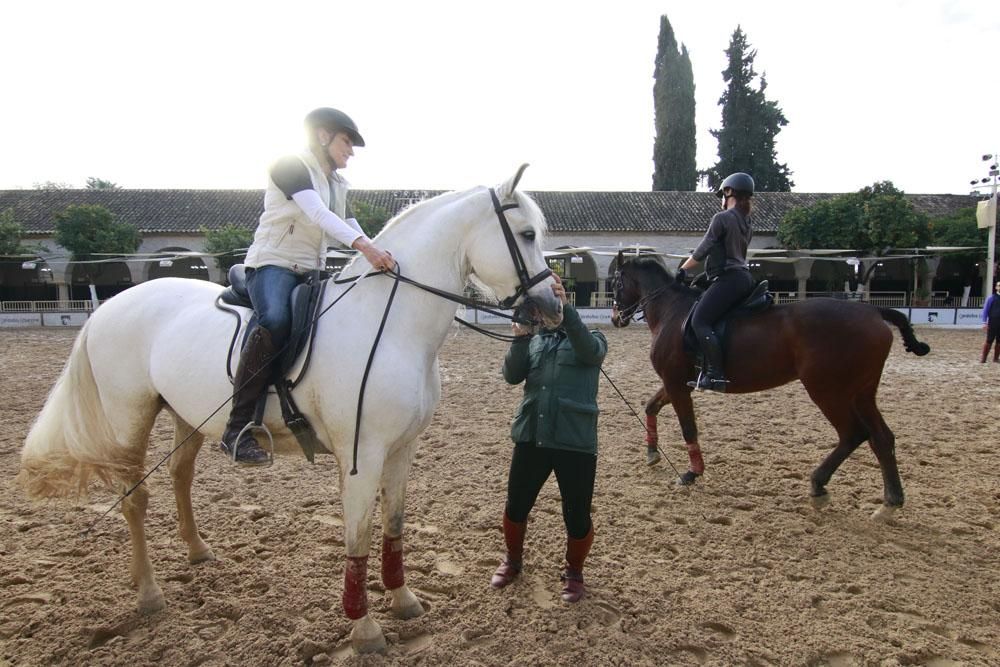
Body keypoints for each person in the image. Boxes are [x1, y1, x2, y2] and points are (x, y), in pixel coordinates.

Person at [221, 108, 395, 465]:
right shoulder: (291, 165)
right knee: (276, 322)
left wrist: (380, 248)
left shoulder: (336, 182)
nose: (351, 150)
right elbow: (319, 215)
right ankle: (237, 428)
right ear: (322, 135)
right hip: (273, 265)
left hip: (311, 269)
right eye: (347, 141)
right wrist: (365, 248)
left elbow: (346, 219)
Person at [490, 273, 607, 603]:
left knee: (577, 514)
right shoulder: (536, 340)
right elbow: (512, 376)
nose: (543, 312)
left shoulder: (593, 337)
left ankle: (574, 572)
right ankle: (512, 560)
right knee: (516, 505)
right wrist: (520, 338)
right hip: (532, 436)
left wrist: (568, 313)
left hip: (575, 440)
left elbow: (591, 352)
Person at [678, 172, 756, 392]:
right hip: (743, 278)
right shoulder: (746, 222)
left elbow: (704, 248)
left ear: (729, 192)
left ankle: (716, 375)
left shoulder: (722, 218)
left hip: (730, 279)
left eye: (723, 193)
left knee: (699, 321)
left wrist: (683, 270)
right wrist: (708, 276)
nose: (722, 198)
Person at [981, 280, 1000, 363]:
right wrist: (984, 322)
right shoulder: (991, 298)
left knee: (999, 341)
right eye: (999, 285)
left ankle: (996, 358)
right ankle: (983, 358)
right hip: (993, 321)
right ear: (996, 287)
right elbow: (986, 310)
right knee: (989, 340)